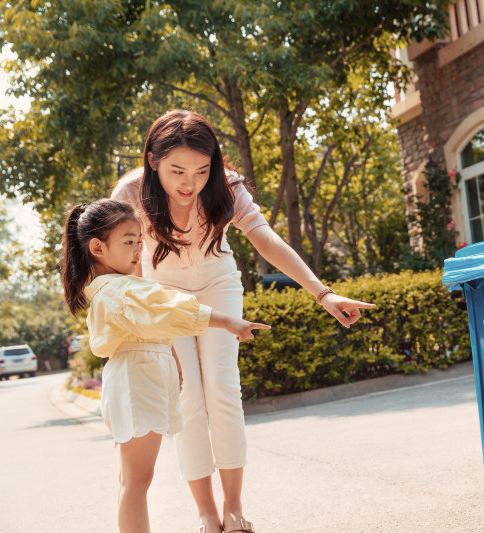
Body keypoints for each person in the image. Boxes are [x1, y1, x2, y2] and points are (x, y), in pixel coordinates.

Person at [111, 110, 375, 533]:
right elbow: (126, 271)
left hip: (218, 283)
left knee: (221, 388)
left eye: (201, 169)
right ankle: (206, 513)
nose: (189, 182)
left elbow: (266, 240)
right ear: (153, 160)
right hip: (162, 296)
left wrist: (323, 293)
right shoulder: (130, 192)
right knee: (188, 397)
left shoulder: (227, 187)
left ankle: (233, 510)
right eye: (177, 169)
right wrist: (148, 332)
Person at [60, 198, 270, 533]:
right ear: (98, 247)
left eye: (139, 241)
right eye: (129, 241)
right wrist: (229, 321)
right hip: (136, 385)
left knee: (133, 480)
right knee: (136, 482)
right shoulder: (121, 290)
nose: (138, 249)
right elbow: (172, 308)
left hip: (136, 382)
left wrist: (170, 356)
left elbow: (156, 322)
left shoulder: (118, 288)